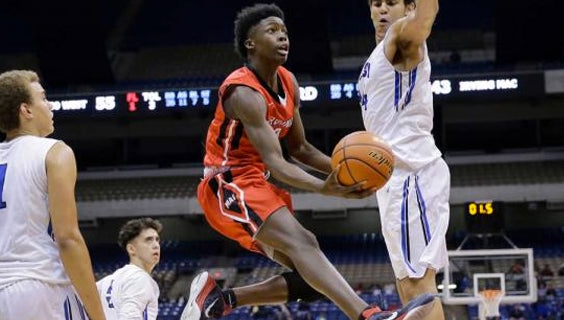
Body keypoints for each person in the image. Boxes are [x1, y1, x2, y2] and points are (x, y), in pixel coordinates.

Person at [180, 4, 434, 320]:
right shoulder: (242, 92)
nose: (282, 37)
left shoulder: (288, 82)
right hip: (226, 182)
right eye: (272, 31)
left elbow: (301, 148)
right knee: (305, 243)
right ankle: (370, 316)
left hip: (254, 181)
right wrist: (326, 188)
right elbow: (279, 162)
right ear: (250, 44)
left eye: (284, 31)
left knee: (315, 278)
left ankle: (220, 300)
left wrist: (347, 173)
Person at [0, 70, 105, 320]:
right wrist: (98, 315)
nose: (50, 105)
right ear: (26, 110)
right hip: (39, 290)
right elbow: (68, 239)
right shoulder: (55, 152)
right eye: (43, 98)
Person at [356, 1, 447, 320]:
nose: (382, 9)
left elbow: (425, 18)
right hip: (395, 179)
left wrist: (419, 12)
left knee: (418, 289)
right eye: (376, 3)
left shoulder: (402, 37)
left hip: (411, 173)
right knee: (410, 289)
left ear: (407, 7)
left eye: (391, 3)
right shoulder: (377, 55)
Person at [96, 218, 162, 319]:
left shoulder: (107, 281)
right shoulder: (140, 278)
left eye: (157, 240)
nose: (156, 245)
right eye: (149, 240)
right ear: (131, 249)